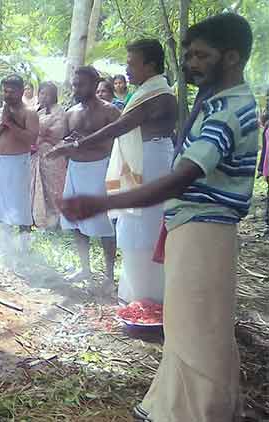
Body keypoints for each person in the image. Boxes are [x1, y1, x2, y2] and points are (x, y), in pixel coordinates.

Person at [61, 14, 256, 422]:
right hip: (196, 224)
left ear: (233, 57)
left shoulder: (229, 112)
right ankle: (181, 405)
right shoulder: (219, 100)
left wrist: (101, 203)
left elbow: (182, 177)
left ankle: (197, 413)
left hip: (207, 228)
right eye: (187, 54)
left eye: (202, 55)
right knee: (189, 324)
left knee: (197, 329)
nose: (190, 63)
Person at [59, 40, 177, 304]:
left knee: (145, 230)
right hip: (145, 161)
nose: (126, 69)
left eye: (131, 63)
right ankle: (139, 294)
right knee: (135, 228)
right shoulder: (149, 91)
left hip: (153, 162)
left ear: (151, 65)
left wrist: (77, 144)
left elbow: (118, 128)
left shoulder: (158, 94)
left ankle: (149, 297)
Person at [49, 66, 120, 287]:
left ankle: (109, 276)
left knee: (104, 224)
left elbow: (119, 142)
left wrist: (89, 139)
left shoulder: (111, 111)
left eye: (81, 84)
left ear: (94, 83)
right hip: (76, 171)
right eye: (74, 84)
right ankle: (85, 268)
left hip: (100, 170)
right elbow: (63, 141)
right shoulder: (71, 112)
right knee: (77, 222)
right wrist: (67, 143)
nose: (76, 88)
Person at [0, 74, 39, 251]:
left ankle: (24, 249)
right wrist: (1, 125)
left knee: (20, 205)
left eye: (12, 92)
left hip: (19, 165)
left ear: (21, 91)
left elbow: (31, 139)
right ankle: (5, 247)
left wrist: (12, 125)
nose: (7, 95)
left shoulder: (29, 113)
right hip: (0, 163)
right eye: (5, 91)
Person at [31, 82, 68, 229]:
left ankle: (55, 221)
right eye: (42, 93)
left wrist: (39, 132)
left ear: (54, 96)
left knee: (53, 188)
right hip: (35, 155)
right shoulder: (34, 110)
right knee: (36, 187)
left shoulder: (59, 112)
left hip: (52, 155)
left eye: (48, 94)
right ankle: (38, 218)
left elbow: (57, 134)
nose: (44, 97)